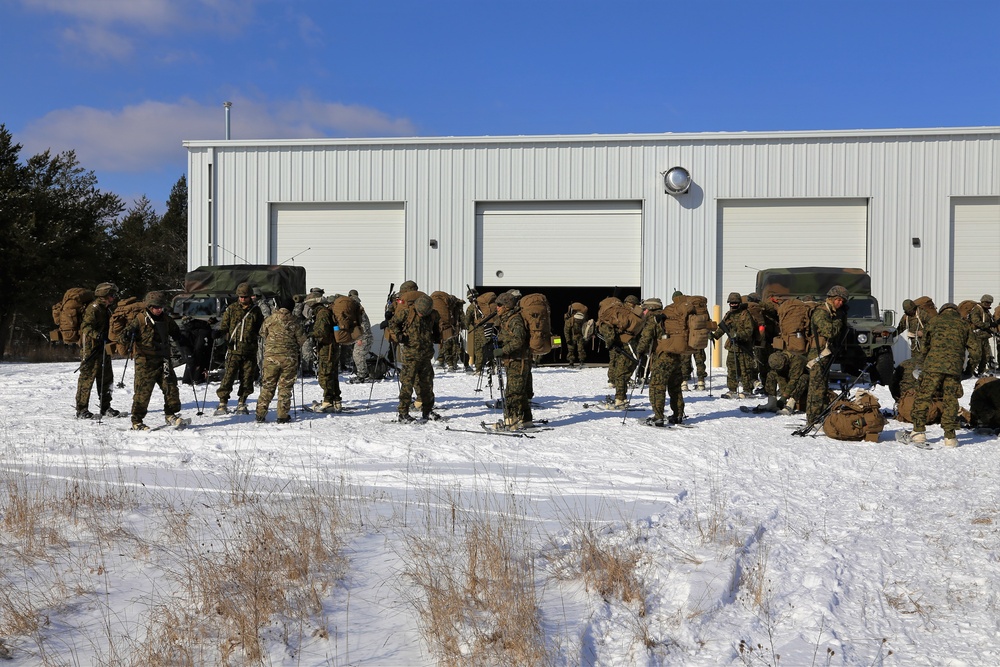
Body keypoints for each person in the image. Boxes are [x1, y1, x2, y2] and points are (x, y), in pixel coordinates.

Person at [908, 302, 978, 447]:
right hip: (953, 369)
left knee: (923, 396)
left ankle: (919, 432)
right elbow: (976, 351)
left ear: (942, 311)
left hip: (932, 367)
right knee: (950, 400)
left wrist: (922, 365)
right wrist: (969, 370)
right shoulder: (964, 325)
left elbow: (924, 346)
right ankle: (950, 436)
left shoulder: (934, 321)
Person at [127, 291, 190, 431]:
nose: (159, 309)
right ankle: (136, 421)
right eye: (156, 307)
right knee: (143, 392)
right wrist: (128, 335)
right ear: (149, 306)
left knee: (171, 388)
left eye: (161, 307)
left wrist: (182, 339)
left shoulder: (166, 319)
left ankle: (170, 414)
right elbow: (123, 337)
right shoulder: (139, 319)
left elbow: (175, 332)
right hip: (145, 361)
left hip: (163, 359)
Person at [485, 291, 533, 429]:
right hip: (513, 360)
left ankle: (510, 420)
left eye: (499, 305)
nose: (497, 307)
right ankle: (525, 419)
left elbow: (518, 341)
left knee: (512, 392)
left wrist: (502, 350)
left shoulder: (515, 319)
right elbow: (508, 337)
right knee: (520, 392)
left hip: (518, 361)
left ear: (506, 306)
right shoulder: (506, 319)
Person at [214, 282, 264, 415]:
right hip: (233, 350)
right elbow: (224, 325)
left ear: (250, 297)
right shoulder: (231, 309)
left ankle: (242, 401)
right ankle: (223, 402)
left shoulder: (256, 311)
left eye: (245, 297)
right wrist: (219, 333)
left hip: (250, 349)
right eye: (241, 297)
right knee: (228, 376)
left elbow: (261, 328)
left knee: (247, 377)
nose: (243, 299)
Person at [389, 294, 440, 421]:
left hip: (426, 355)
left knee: (427, 385)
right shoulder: (406, 313)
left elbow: (436, 326)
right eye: (419, 312)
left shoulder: (433, 315)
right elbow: (392, 323)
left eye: (424, 313)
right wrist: (399, 334)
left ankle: (427, 411)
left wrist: (437, 334)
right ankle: (403, 413)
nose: (421, 315)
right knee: (407, 384)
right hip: (410, 355)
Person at [634, 298, 685, 426]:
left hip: (662, 357)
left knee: (657, 386)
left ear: (650, 308)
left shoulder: (653, 319)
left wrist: (639, 351)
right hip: (677, 357)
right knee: (675, 387)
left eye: (645, 308)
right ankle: (678, 415)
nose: (644, 311)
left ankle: (658, 417)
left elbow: (646, 337)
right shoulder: (671, 317)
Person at [803, 285, 848, 428]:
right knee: (816, 387)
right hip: (817, 354)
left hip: (826, 353)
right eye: (838, 300)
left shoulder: (833, 313)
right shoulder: (821, 312)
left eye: (842, 301)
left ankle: (820, 414)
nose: (840, 303)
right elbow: (830, 332)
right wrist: (840, 320)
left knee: (822, 386)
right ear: (831, 298)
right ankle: (812, 418)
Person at [75, 282, 120, 419]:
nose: (113, 298)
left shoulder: (106, 308)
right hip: (91, 349)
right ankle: (82, 409)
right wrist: (98, 335)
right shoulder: (93, 308)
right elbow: (85, 327)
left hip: (103, 348)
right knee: (87, 379)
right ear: (103, 295)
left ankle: (105, 407)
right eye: (111, 295)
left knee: (106, 378)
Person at [255, 307, 306, 424]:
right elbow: (302, 339)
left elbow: (262, 333)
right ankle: (282, 415)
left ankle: (260, 414)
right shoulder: (295, 321)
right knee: (285, 386)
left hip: (271, 358)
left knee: (268, 385)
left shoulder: (269, 319)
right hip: (289, 358)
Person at [600, 294, 641, 408]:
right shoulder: (636, 315)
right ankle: (620, 399)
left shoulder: (618, 314)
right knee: (623, 373)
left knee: (620, 373)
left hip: (620, 346)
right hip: (631, 347)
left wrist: (611, 344)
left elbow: (610, 334)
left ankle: (620, 399)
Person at [712, 292, 755, 399]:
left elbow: (749, 331)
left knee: (745, 369)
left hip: (744, 347)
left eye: (736, 303)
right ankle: (732, 390)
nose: (733, 305)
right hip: (732, 347)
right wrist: (714, 336)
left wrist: (738, 335)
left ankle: (747, 390)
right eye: (732, 303)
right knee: (731, 369)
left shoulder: (745, 314)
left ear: (739, 303)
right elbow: (722, 328)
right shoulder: (728, 315)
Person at [312, 294, 344, 412]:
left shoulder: (322, 313)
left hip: (327, 349)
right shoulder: (328, 312)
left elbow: (322, 332)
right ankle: (336, 400)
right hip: (333, 347)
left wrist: (310, 333)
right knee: (333, 374)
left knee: (325, 375)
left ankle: (327, 401)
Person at [760, 350, 807, 414]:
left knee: (804, 377)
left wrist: (784, 397)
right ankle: (771, 403)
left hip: (804, 386)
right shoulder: (778, 359)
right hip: (790, 382)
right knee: (771, 374)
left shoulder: (797, 360)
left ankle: (790, 405)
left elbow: (794, 380)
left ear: (785, 361)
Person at [348, 290, 374, 382]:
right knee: (357, 355)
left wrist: (360, 338)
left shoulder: (357, 310)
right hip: (363, 336)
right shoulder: (359, 308)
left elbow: (364, 327)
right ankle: (362, 374)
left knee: (358, 355)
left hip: (363, 337)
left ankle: (363, 375)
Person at [966, 294, 995, 376]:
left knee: (986, 356)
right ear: (982, 301)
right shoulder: (977, 309)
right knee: (976, 355)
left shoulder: (986, 311)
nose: (988, 304)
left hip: (984, 336)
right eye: (986, 302)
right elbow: (976, 321)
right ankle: (969, 372)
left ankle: (981, 372)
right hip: (977, 336)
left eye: (989, 303)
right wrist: (989, 325)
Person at [896, 299, 930, 363]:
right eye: (908, 311)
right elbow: (900, 328)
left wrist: (923, 333)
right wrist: (890, 335)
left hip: (925, 344)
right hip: (914, 346)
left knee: (925, 361)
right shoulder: (906, 317)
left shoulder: (923, 314)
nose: (910, 312)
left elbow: (932, 327)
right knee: (915, 362)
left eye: (911, 311)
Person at [563, 302, 588, 367]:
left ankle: (581, 361)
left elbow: (586, 329)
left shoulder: (583, 321)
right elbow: (566, 331)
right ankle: (571, 362)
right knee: (570, 349)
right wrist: (568, 339)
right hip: (572, 335)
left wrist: (586, 338)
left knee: (581, 349)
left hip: (580, 336)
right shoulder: (570, 321)